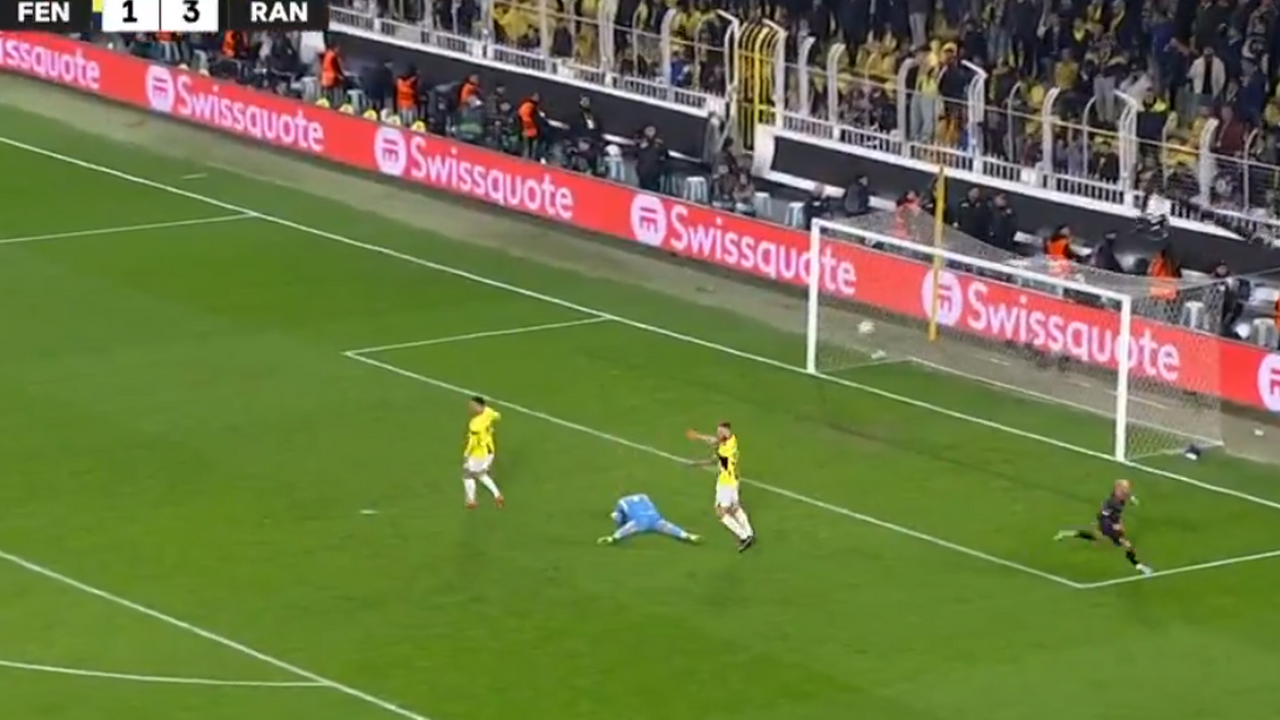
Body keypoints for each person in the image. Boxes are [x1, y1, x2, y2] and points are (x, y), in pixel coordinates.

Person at [1055, 479, 1153, 576]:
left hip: (1112, 522)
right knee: (1127, 545)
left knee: (1096, 537)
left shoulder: (1120, 495)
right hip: (1107, 525)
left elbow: (1126, 496)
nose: (1127, 490)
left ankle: (1065, 533)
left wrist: (1132, 498)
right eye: (1125, 488)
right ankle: (1141, 567)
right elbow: (1102, 516)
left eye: (1127, 488)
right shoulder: (1112, 502)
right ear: (1119, 489)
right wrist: (1115, 525)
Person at [686, 422, 755, 551]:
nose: (718, 434)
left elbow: (713, 459)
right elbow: (714, 441)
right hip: (733, 480)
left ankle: (744, 536)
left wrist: (697, 463)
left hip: (725, 483)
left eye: (720, 432)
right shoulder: (732, 440)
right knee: (735, 508)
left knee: (720, 512)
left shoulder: (724, 450)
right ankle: (749, 533)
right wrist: (698, 436)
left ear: (726, 432)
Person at [598, 493, 700, 545]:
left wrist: (617, 518)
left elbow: (619, 519)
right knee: (668, 527)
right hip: (655, 518)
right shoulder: (644, 497)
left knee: (627, 529)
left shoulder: (622, 502)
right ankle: (688, 536)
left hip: (640, 522)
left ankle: (613, 538)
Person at [462, 396, 505, 508]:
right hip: (490, 450)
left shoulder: (474, 424)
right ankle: (498, 496)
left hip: (479, 453)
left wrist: (466, 454)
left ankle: (471, 500)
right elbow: (498, 416)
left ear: (480, 406)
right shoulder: (488, 411)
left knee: (468, 475)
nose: (471, 407)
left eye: (474, 405)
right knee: (480, 474)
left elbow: (473, 442)